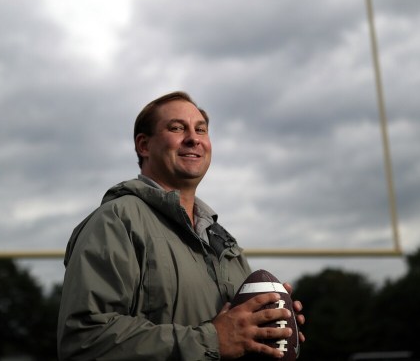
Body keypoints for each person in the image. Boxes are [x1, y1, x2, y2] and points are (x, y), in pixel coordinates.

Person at [57, 91, 305, 360]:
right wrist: (211, 340)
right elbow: (85, 342)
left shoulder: (224, 244)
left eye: (201, 129)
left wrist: (267, 325)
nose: (193, 138)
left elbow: (234, 337)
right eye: (177, 128)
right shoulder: (115, 221)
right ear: (144, 145)